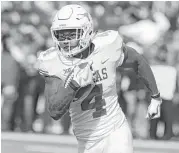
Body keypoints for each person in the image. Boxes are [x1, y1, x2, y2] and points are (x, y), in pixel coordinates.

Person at [37, 4, 162, 153]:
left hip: (115, 130)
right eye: (61, 35)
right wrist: (74, 84)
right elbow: (54, 111)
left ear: (86, 30)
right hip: (87, 140)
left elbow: (138, 61)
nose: (65, 41)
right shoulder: (53, 61)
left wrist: (155, 96)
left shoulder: (106, 46)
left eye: (71, 34)